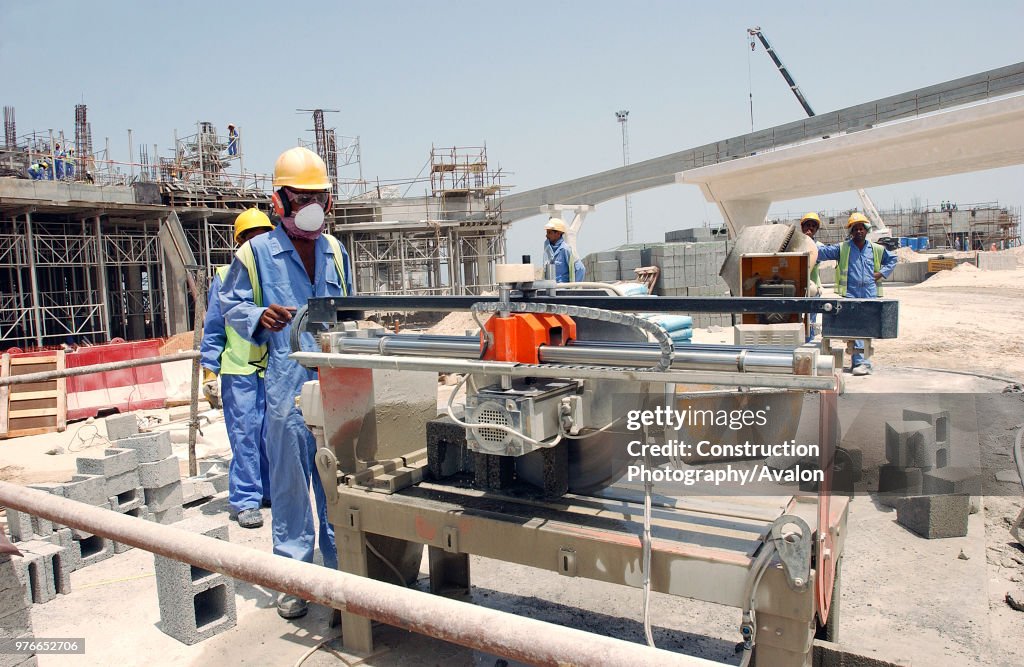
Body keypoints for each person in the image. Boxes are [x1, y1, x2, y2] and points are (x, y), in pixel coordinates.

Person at [220, 146, 352, 620]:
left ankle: (341, 582)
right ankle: (295, 583)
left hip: (336, 387)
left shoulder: (336, 251)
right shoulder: (254, 254)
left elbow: (351, 311)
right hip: (284, 389)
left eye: (321, 197)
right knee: (291, 487)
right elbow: (230, 306)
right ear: (280, 201)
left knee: (338, 486)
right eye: (303, 198)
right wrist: (259, 314)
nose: (314, 207)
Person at [200, 208, 276, 529]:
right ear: (241, 242)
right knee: (245, 435)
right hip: (239, 370)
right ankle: (246, 500)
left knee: (272, 435)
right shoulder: (223, 277)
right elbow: (214, 328)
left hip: (272, 370)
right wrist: (209, 371)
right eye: (253, 237)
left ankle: (270, 490)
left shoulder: (275, 274)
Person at [816, 212, 897, 376]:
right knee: (855, 329)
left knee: (865, 329)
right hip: (851, 293)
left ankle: (863, 362)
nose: (859, 231)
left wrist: (881, 273)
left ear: (866, 231)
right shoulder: (843, 248)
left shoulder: (875, 249)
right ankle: (859, 362)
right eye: (856, 229)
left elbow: (892, 259)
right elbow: (822, 252)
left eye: (861, 228)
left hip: (869, 293)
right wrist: (809, 245)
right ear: (851, 232)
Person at [799, 212, 823, 342]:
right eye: (807, 225)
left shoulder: (819, 247)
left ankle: (808, 343)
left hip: (813, 288)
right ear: (802, 227)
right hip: (797, 289)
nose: (810, 228)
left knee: (810, 321)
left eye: (813, 226)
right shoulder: (796, 244)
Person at [543, 217, 585, 283]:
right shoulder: (547, 248)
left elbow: (580, 269)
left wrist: (572, 289)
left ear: (558, 233)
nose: (546, 235)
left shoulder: (566, 250)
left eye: (549, 233)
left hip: (563, 289)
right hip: (551, 289)